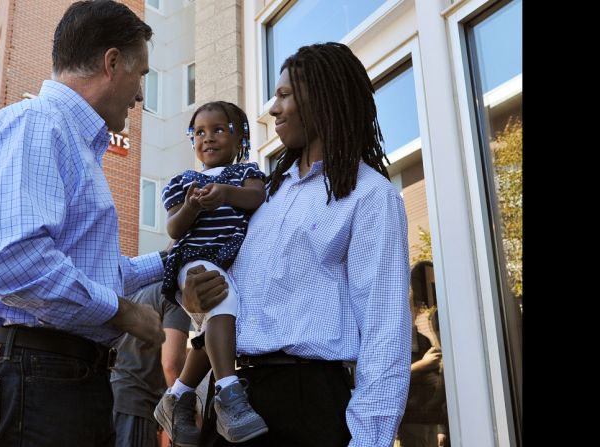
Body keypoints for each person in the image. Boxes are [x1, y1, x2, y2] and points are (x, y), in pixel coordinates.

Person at [181, 42, 412, 447]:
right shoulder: (267, 194)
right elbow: (233, 293)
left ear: (323, 99)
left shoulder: (370, 195)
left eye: (284, 95)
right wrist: (196, 302)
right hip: (233, 396)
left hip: (307, 403)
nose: (273, 108)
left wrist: (370, 441)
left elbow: (384, 334)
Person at [0, 1, 165, 445]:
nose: (141, 95)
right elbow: (14, 263)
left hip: (52, 375)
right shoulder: (38, 124)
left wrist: (171, 260)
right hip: (35, 376)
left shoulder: (64, 138)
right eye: (142, 75)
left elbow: (91, 273)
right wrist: (125, 312)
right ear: (112, 62)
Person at [153, 101, 268, 446]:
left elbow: (256, 198)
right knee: (223, 302)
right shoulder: (185, 182)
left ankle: (177, 397)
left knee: (222, 324)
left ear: (240, 138)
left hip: (228, 260)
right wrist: (191, 205)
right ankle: (229, 394)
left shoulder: (245, 173)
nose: (208, 138)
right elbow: (174, 229)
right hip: (193, 259)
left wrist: (224, 194)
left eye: (219, 130)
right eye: (200, 132)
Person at [111, 281, 191, 447]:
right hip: (136, 403)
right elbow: (172, 365)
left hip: (113, 398)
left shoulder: (139, 289)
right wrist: (185, 415)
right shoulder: (174, 295)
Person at [398, 260, 450, 447]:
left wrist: (441, 427)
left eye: (418, 306)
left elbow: (433, 383)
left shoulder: (422, 340)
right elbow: (393, 376)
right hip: (412, 417)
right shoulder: (397, 342)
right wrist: (423, 364)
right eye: (415, 306)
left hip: (430, 416)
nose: (418, 310)